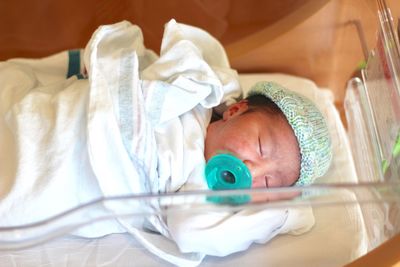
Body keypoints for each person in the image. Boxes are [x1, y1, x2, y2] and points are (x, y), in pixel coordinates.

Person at [0, 19, 331, 265]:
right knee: (21, 112)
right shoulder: (196, 96)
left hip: (77, 176)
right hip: (75, 121)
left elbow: (192, 233)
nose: (254, 170)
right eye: (261, 146)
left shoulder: (199, 186)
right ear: (236, 110)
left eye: (268, 183)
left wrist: (287, 215)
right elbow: (165, 70)